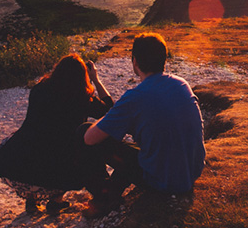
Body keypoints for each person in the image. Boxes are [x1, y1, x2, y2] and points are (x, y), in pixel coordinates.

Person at [82, 33, 206, 217]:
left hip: (163, 181)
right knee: (135, 147)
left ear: (135, 62)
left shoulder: (135, 97)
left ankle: (103, 196)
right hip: (191, 172)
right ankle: (113, 190)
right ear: (164, 59)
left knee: (83, 131)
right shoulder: (181, 84)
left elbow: (90, 139)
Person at [0, 54, 112, 215]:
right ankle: (56, 201)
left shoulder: (39, 89)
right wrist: (96, 80)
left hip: (20, 156)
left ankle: (32, 199)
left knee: (39, 140)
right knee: (70, 152)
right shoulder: (81, 97)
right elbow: (109, 110)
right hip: (58, 162)